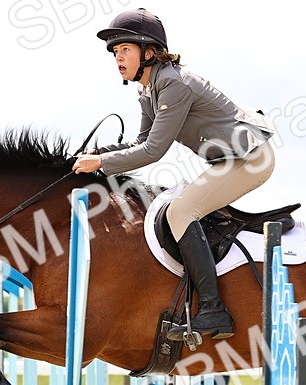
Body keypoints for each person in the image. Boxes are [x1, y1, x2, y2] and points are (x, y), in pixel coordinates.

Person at [73, 8, 276, 342]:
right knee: (176, 207)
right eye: (115, 52)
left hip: (251, 158)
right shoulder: (147, 89)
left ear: (148, 52)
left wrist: (102, 165)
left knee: (181, 211)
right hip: (230, 160)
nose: (117, 57)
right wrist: (100, 153)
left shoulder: (172, 83)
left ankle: (214, 309)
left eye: (124, 49)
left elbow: (154, 151)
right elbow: (140, 142)